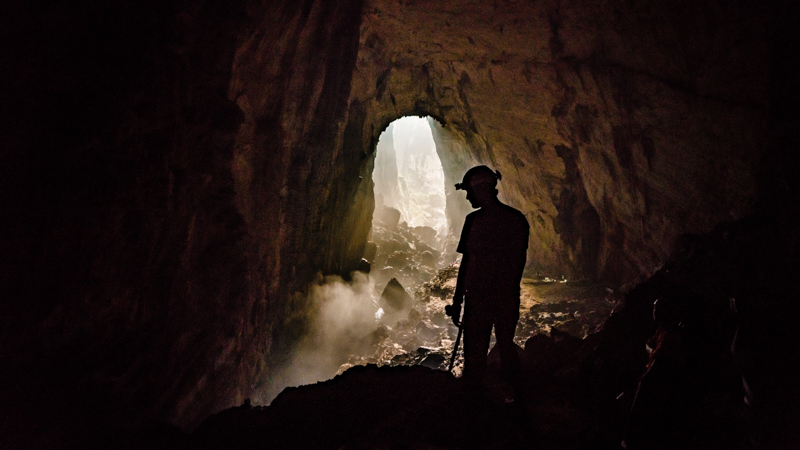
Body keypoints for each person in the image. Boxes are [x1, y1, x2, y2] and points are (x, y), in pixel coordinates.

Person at [445, 165, 529, 399]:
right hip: (507, 298)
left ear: (481, 189)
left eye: (469, 191)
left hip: (479, 299)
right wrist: (508, 293)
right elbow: (518, 265)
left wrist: (458, 301)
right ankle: (520, 404)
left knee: (475, 357)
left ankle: (475, 409)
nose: (468, 196)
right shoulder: (517, 220)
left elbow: (467, 265)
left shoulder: (474, 221)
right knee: (506, 348)